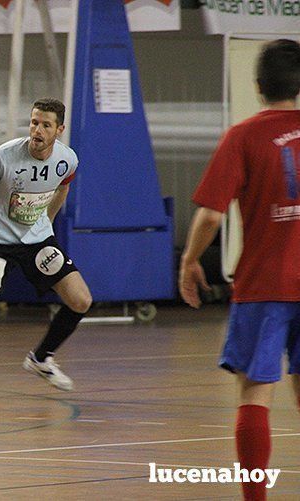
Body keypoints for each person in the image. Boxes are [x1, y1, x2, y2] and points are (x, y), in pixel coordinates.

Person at [179, 39, 300, 501]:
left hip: (264, 284)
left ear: (258, 87)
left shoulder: (244, 136)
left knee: (255, 395)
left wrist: (190, 262)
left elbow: (211, 214)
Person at [0, 98, 92, 400]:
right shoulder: (5, 156)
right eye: (34, 122)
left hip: (37, 241)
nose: (37, 130)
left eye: (45, 125)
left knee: (81, 300)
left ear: (59, 129)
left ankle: (41, 358)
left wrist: (46, 224)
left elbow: (63, 185)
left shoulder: (68, 160)